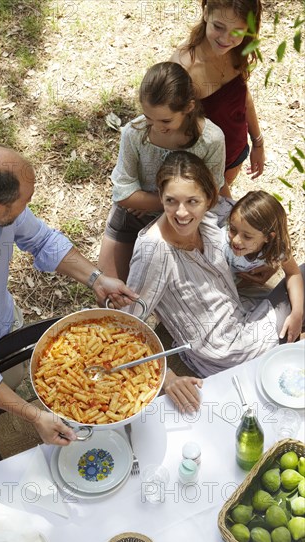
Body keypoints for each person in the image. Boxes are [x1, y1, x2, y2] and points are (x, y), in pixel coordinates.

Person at [0, 144, 138, 475]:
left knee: (4, 384)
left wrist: (97, 279)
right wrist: (34, 416)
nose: (28, 206)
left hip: (0, 325)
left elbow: (43, 241)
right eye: (25, 202)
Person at [124, 151, 304, 411]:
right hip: (230, 349)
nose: (181, 212)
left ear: (209, 198)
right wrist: (167, 377)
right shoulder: (154, 251)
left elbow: (254, 224)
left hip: (238, 316)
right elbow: (125, 324)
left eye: (192, 201)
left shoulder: (212, 218)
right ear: (160, 198)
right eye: (171, 201)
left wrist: (265, 260)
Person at [98, 61, 232, 281]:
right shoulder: (134, 133)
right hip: (133, 217)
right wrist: (177, 200)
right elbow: (123, 195)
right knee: (110, 294)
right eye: (148, 117)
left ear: (189, 107)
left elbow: (211, 194)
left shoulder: (211, 139)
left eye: (166, 120)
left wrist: (150, 202)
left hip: (185, 220)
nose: (156, 126)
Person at [170, 0, 265, 185]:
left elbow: (243, 97)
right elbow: (166, 129)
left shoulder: (238, 49)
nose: (225, 39)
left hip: (236, 150)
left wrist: (258, 142)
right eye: (218, 27)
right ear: (206, 13)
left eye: (237, 31)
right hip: (202, 167)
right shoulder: (183, 68)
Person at [222, 190, 304, 340]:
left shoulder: (277, 250)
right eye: (233, 229)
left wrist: (297, 314)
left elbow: (294, 273)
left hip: (241, 287)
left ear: (268, 237)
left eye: (247, 236)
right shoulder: (220, 244)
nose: (236, 240)